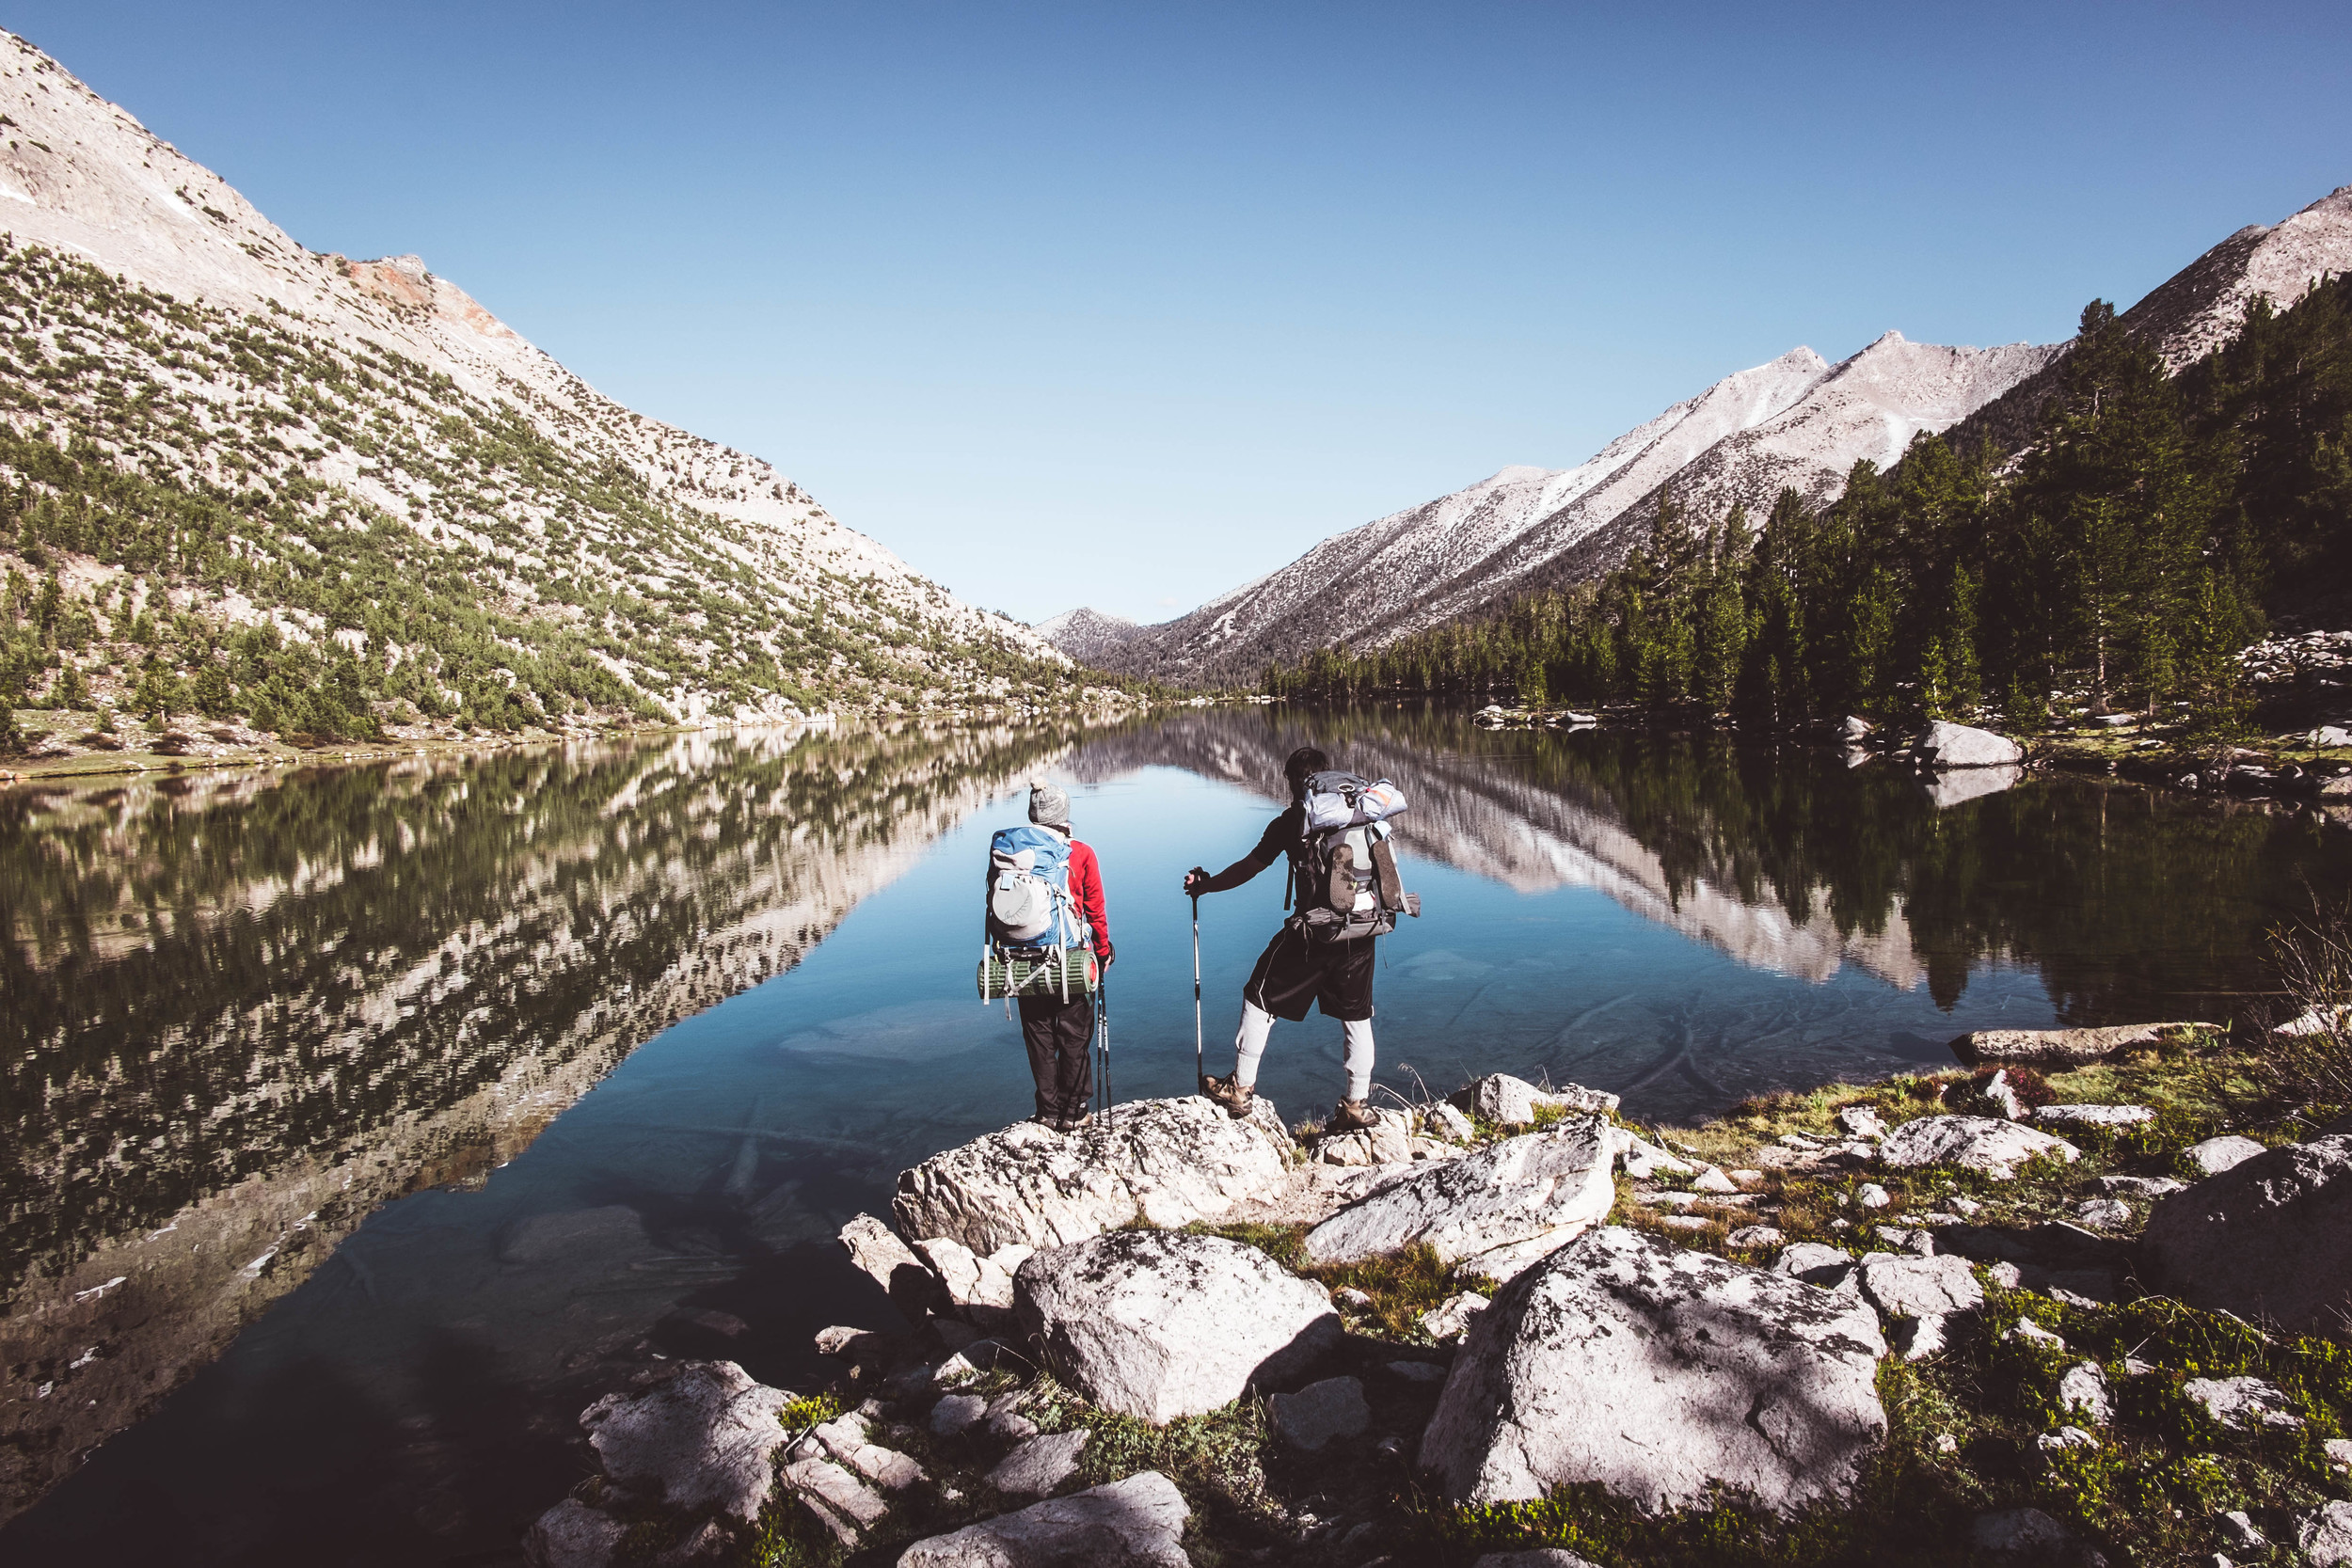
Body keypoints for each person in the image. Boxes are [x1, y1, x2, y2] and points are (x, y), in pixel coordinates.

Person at [1183, 745, 1382, 1132]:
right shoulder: (1361, 817)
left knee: (1259, 993)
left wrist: (1206, 887)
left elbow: (1248, 868)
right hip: (1363, 928)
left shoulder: (1293, 821)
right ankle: (1356, 1104)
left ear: (1295, 782)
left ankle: (1240, 1088)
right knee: (1357, 1016)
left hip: (1314, 932)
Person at [1005, 781, 1112, 1131]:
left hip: (1021, 958)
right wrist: (1103, 950)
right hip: (1068, 958)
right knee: (1074, 1034)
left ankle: (1047, 1110)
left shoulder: (1009, 853)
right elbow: (1095, 908)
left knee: (1038, 1034)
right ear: (1063, 816)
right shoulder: (1079, 852)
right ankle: (1074, 1109)